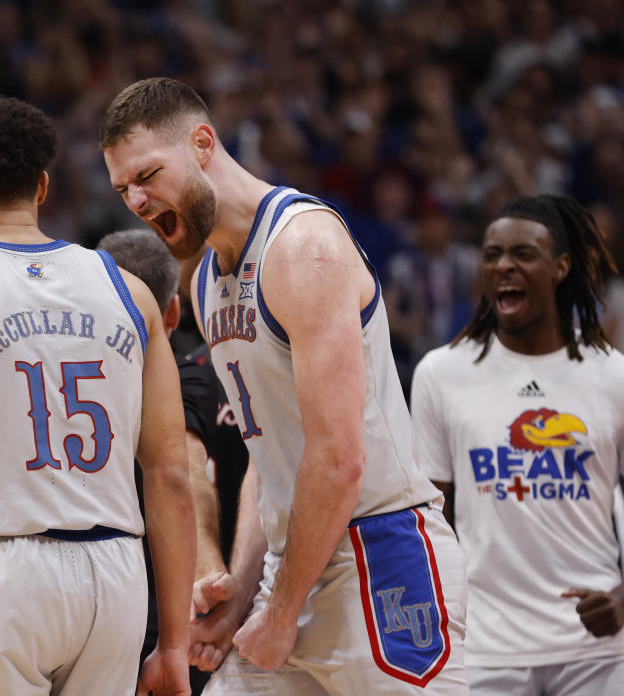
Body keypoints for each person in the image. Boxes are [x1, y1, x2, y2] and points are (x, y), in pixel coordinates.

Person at [100, 77, 468, 695]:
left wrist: (280, 609)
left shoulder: (303, 247)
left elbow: (340, 459)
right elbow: (266, 462)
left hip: (379, 555)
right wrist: (243, 596)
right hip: (291, 561)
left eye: (147, 175)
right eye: (122, 189)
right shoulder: (202, 285)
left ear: (202, 143)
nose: (135, 200)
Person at [0, 96, 196, 696]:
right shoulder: (132, 293)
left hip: (5, 569)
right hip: (118, 572)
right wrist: (173, 643)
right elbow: (171, 475)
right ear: (43, 186)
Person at [411, 194, 624, 695]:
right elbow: (429, 519)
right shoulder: (442, 374)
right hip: (486, 648)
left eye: (522, 254)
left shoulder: (611, 374)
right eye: (492, 255)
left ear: (560, 267)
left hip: (596, 650)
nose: (503, 265)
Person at [96, 229, 251, 696]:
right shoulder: (213, 373)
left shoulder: (60, 386)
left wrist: (208, 576)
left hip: (140, 615)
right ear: (175, 312)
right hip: (187, 617)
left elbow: (185, 469)